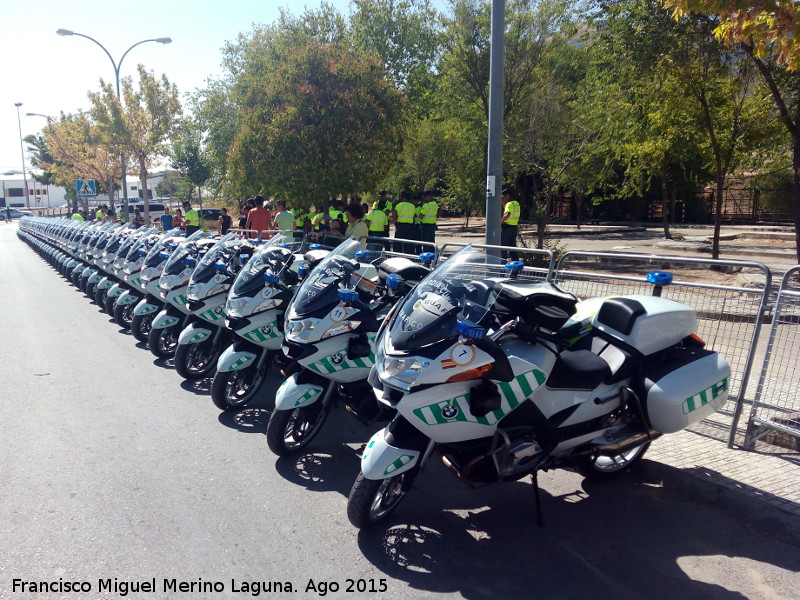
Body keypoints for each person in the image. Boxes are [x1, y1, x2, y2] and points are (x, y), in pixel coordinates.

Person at [500, 188, 520, 261]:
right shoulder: (516, 203)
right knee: (513, 249)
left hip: (507, 229)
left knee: (503, 249)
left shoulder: (509, 204)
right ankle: (516, 269)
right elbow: (511, 212)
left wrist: (500, 222)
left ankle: (502, 268)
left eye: (503, 197)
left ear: (507, 196)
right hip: (514, 228)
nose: (502, 199)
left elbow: (508, 214)